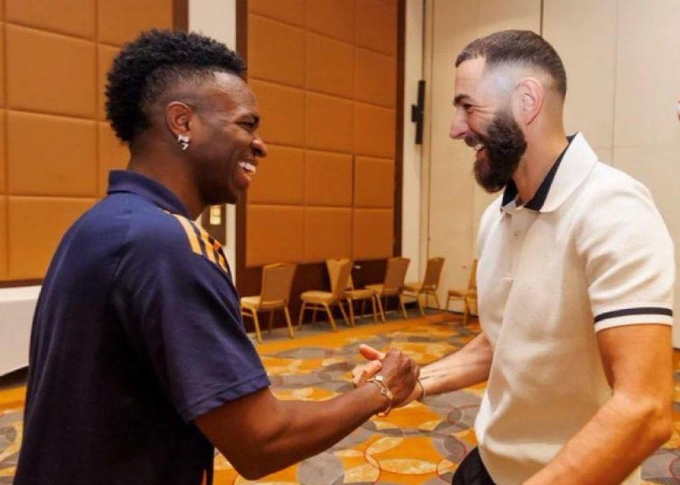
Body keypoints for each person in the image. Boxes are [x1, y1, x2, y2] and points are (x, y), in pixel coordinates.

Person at [14, 29, 419, 485]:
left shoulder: (102, 222)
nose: (261, 145)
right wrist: (381, 389)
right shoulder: (166, 245)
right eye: (247, 125)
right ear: (182, 122)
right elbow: (261, 441)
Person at [353, 30, 675, 485]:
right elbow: (503, 339)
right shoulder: (497, 216)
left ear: (527, 101)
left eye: (468, 107)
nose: (455, 128)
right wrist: (417, 382)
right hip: (489, 463)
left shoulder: (614, 209)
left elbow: (644, 408)